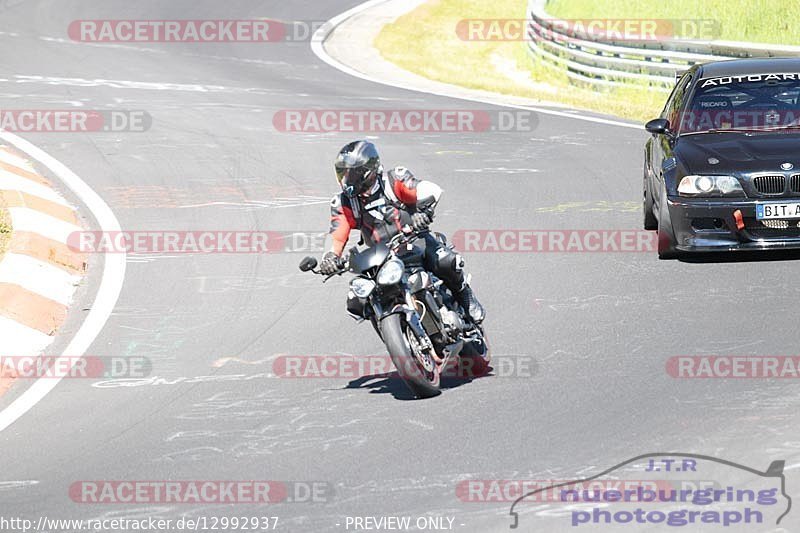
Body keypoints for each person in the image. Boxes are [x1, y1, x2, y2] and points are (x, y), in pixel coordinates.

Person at [319, 140, 484, 323]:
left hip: (414, 239)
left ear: (367, 170)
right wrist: (330, 258)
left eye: (352, 173)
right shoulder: (344, 202)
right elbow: (336, 233)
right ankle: (389, 327)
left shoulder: (393, 180)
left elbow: (425, 189)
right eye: (343, 173)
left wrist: (424, 212)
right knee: (358, 301)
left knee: (446, 261)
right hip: (380, 256)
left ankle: (466, 296)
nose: (346, 179)